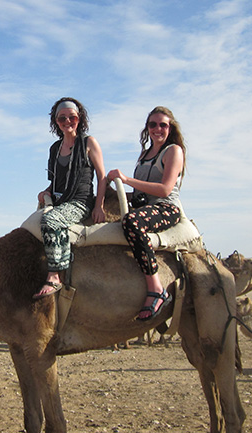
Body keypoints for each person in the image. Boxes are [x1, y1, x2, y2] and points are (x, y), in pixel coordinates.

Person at [107, 106, 186, 320]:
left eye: (163, 125)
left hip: (166, 208)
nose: (157, 129)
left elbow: (164, 189)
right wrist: (112, 192)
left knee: (131, 222)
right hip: (146, 207)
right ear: (147, 128)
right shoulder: (144, 155)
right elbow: (141, 193)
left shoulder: (173, 151)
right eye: (153, 124)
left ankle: (156, 288)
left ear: (170, 128)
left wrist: (125, 180)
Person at [33, 97, 107, 299]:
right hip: (57, 201)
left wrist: (98, 206)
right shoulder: (55, 149)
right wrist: (46, 191)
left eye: (72, 117)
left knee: (51, 220)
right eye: (62, 118)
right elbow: (57, 180)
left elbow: (102, 177)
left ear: (79, 118)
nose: (67, 121)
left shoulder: (88, 143)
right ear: (55, 122)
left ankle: (55, 276)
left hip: (80, 202)